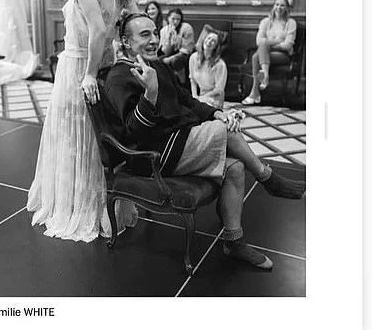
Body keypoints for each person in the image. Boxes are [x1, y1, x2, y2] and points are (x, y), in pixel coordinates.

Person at [104, 14, 305, 270]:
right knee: (226, 131)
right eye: (145, 35)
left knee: (235, 168)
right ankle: (269, 179)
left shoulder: (158, 66)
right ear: (125, 41)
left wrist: (215, 113)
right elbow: (134, 132)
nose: (154, 40)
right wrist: (150, 93)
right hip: (154, 155)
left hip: (180, 140)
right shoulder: (118, 77)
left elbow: (186, 100)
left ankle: (233, 241)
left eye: (155, 33)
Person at [27, 0, 138, 242]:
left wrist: (88, 74)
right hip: (107, 67)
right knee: (95, 138)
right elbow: (132, 20)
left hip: (80, 67)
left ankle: (78, 206)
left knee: (77, 138)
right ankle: (100, 205)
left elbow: (98, 30)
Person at [242, 0, 297, 105]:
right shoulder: (265, 21)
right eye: (277, 4)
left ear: (287, 8)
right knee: (256, 55)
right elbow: (258, 41)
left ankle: (255, 92)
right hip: (266, 53)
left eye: (282, 5)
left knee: (257, 55)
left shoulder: (291, 23)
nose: (279, 7)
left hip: (283, 55)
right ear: (273, 6)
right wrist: (277, 41)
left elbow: (288, 45)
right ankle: (264, 79)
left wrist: (268, 44)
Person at [189, 25, 228, 109]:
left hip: (214, 98)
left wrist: (201, 98)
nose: (209, 41)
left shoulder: (220, 64)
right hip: (200, 95)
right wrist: (194, 97)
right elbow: (193, 80)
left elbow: (219, 90)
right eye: (208, 38)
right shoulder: (193, 58)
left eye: (213, 41)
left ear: (216, 47)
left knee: (199, 110)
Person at [159, 8, 195, 77]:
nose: (175, 22)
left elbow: (187, 50)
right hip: (171, 52)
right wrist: (169, 38)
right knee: (158, 60)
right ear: (168, 18)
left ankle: (182, 82)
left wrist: (170, 58)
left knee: (176, 61)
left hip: (184, 54)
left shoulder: (186, 28)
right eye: (173, 19)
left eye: (178, 19)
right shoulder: (164, 30)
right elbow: (166, 52)